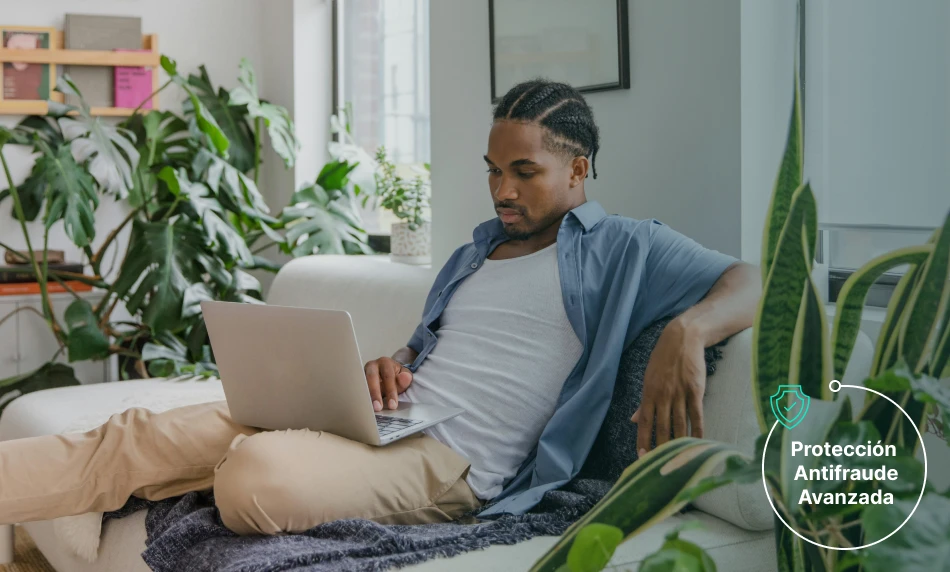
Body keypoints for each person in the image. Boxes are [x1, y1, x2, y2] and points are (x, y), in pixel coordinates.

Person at [0, 79, 760, 535]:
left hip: (456, 465)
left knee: (252, 473)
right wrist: (389, 368)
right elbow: (430, 354)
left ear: (579, 168)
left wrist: (689, 330)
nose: (502, 190)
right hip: (391, 419)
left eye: (524, 172)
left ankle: (260, 459)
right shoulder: (474, 254)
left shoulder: (626, 247)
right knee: (141, 433)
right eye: (494, 171)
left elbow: (753, 280)